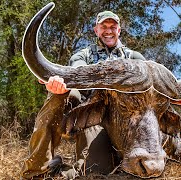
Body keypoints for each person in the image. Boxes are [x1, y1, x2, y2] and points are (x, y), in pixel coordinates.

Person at [20, 10, 145, 179]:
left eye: (113, 27)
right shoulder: (83, 55)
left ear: (119, 31)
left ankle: (60, 170)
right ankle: (37, 171)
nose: (108, 30)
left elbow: (150, 86)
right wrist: (60, 82)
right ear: (96, 30)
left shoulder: (134, 57)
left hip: (126, 121)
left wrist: (177, 96)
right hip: (93, 117)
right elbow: (77, 71)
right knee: (93, 173)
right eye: (104, 26)